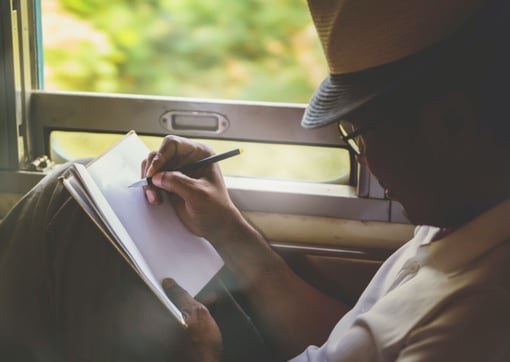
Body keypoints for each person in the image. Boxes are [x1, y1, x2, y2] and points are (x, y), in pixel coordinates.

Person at [1, 0, 509, 361]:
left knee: (61, 218)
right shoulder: (455, 218)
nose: (366, 159)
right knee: (75, 197)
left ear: (450, 125)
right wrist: (227, 227)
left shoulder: (473, 326)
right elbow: (348, 339)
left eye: (362, 133)